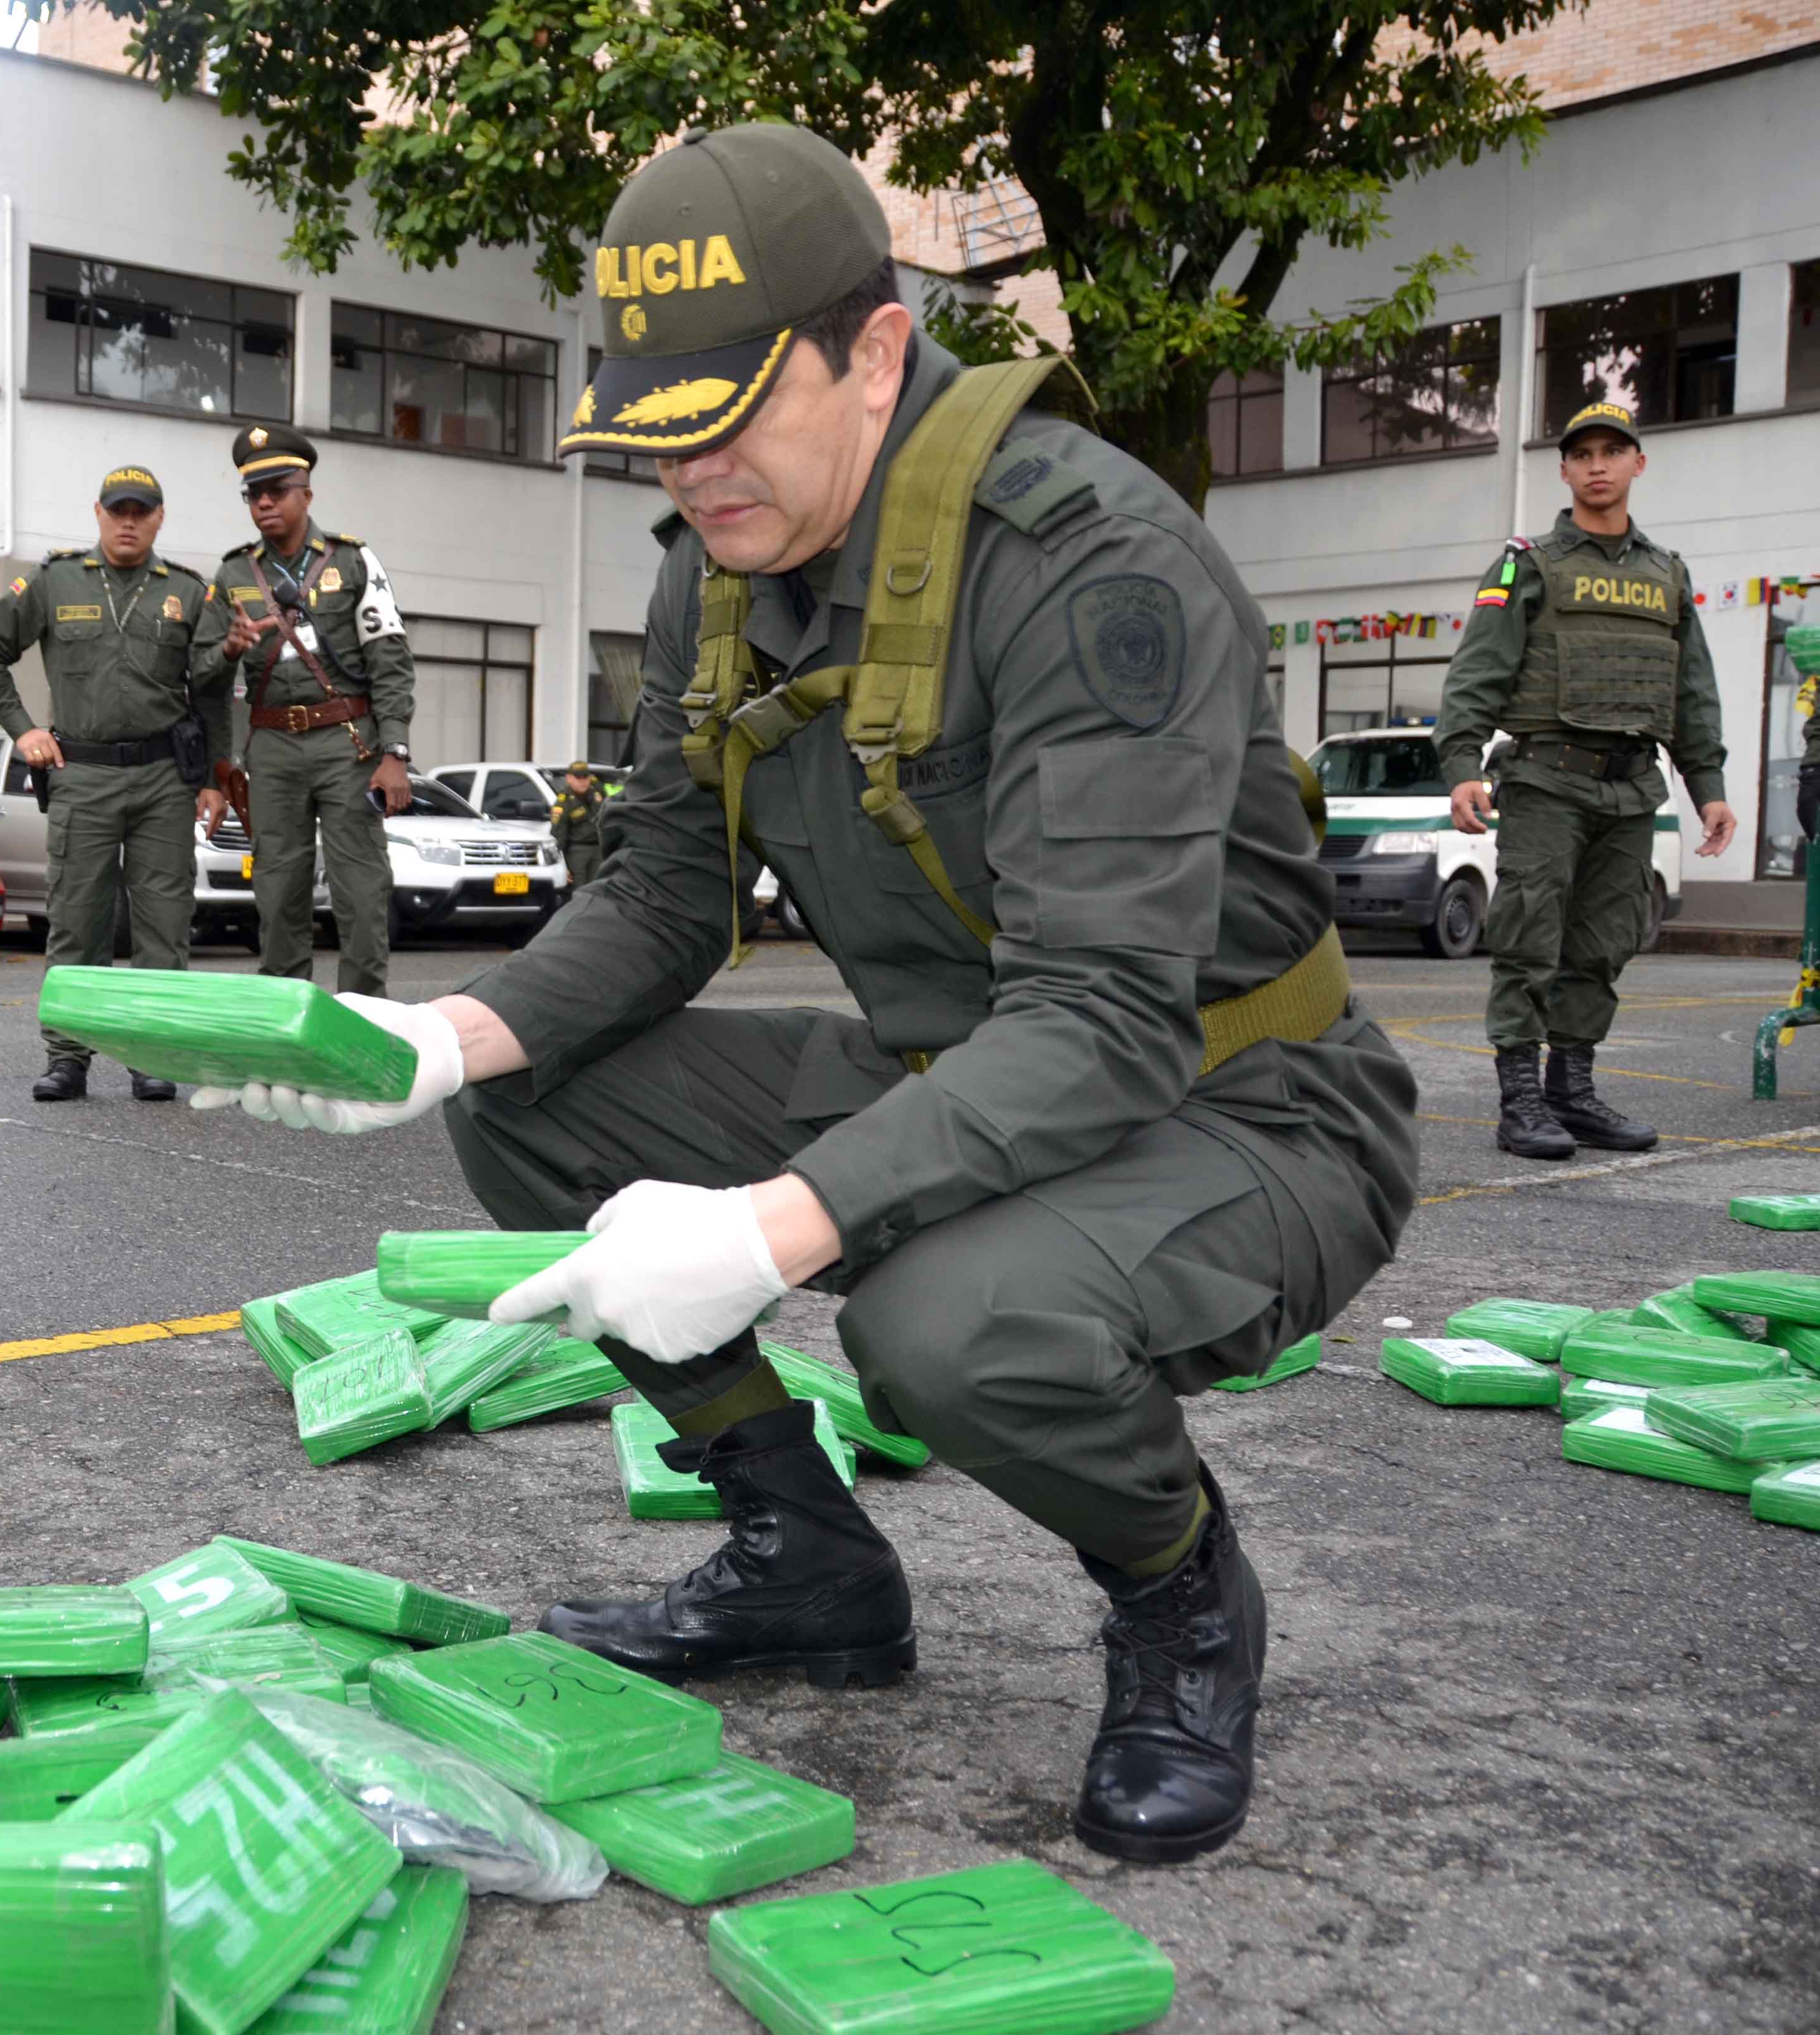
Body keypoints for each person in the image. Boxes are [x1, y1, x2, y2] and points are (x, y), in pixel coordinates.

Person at [193, 124, 1416, 1867]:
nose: (694, 477)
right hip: (957, 1066)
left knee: (946, 1326)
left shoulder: (1088, 562)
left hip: (1237, 1107)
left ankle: (1180, 1593)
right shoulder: (719, 563)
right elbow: (673, 891)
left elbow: (1106, 1022)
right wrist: (432, 1041)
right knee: (533, 1100)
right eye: (660, 436)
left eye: (730, 419)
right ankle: (811, 1563)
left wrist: (776, 1228)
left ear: (878, 354)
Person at [1437, 400, 1736, 1159]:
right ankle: (1521, 1104)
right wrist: (1462, 766)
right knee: (1528, 939)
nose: (1597, 465)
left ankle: (1571, 1094)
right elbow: (1476, 671)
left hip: (1631, 789)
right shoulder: (1526, 562)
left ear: (1637, 464)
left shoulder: (1665, 575)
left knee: (1602, 945)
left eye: (1612, 451)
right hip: (1545, 779)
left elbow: (1689, 691)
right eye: (1582, 454)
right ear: (1564, 469)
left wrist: (1707, 787)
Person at [0, 466, 225, 1102]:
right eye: (118, 510)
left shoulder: (190, 594)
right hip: (80, 774)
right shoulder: (55, 581)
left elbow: (215, 691)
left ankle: (151, 1055)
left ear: (160, 517)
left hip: (165, 778)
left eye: (141, 510)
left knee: (164, 924)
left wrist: (217, 776)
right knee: (77, 922)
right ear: (98, 514)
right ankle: (67, 1059)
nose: (128, 521)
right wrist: (22, 728)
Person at [190, 426, 416, 997]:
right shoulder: (234, 574)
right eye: (253, 494)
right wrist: (229, 649)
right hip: (271, 752)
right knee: (278, 890)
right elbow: (201, 677)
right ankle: (289, 1026)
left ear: (305, 494)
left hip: (349, 746)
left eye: (277, 489)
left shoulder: (354, 560)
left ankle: (364, 1020)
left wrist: (395, 752)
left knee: (361, 890)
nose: (264, 502)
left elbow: (391, 661)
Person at [549, 761, 607, 890]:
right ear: (569, 779)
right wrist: (562, 865)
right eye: (578, 778)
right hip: (577, 852)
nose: (583, 781)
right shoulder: (563, 803)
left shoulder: (596, 793)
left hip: (598, 850)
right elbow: (558, 835)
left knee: (598, 891)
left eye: (585, 777)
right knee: (579, 891)